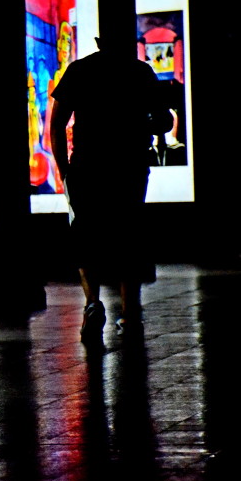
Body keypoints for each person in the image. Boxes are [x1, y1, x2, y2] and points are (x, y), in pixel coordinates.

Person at [50, 32, 172, 343]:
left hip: (87, 166)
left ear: (99, 41)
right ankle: (131, 312)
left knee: (86, 238)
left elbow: (57, 123)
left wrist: (65, 170)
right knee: (128, 236)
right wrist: (141, 126)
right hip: (129, 166)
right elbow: (164, 120)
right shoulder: (140, 72)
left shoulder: (78, 70)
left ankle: (92, 304)